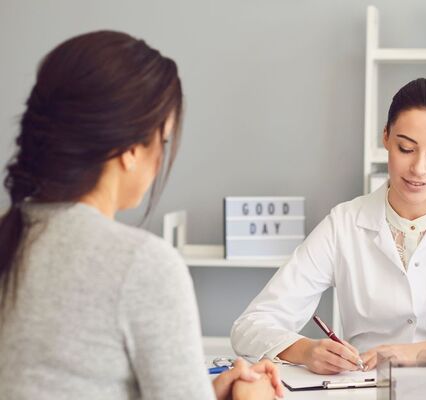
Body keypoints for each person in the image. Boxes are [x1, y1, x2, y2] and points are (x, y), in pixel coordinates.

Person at [0, 31, 283, 399]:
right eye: (162, 141)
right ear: (130, 150)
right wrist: (253, 395)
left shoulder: (12, 235)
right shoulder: (139, 264)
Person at [231, 77, 426, 374]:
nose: (419, 168)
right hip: (367, 387)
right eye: (406, 148)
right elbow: (251, 325)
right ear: (386, 137)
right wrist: (305, 350)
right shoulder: (344, 224)